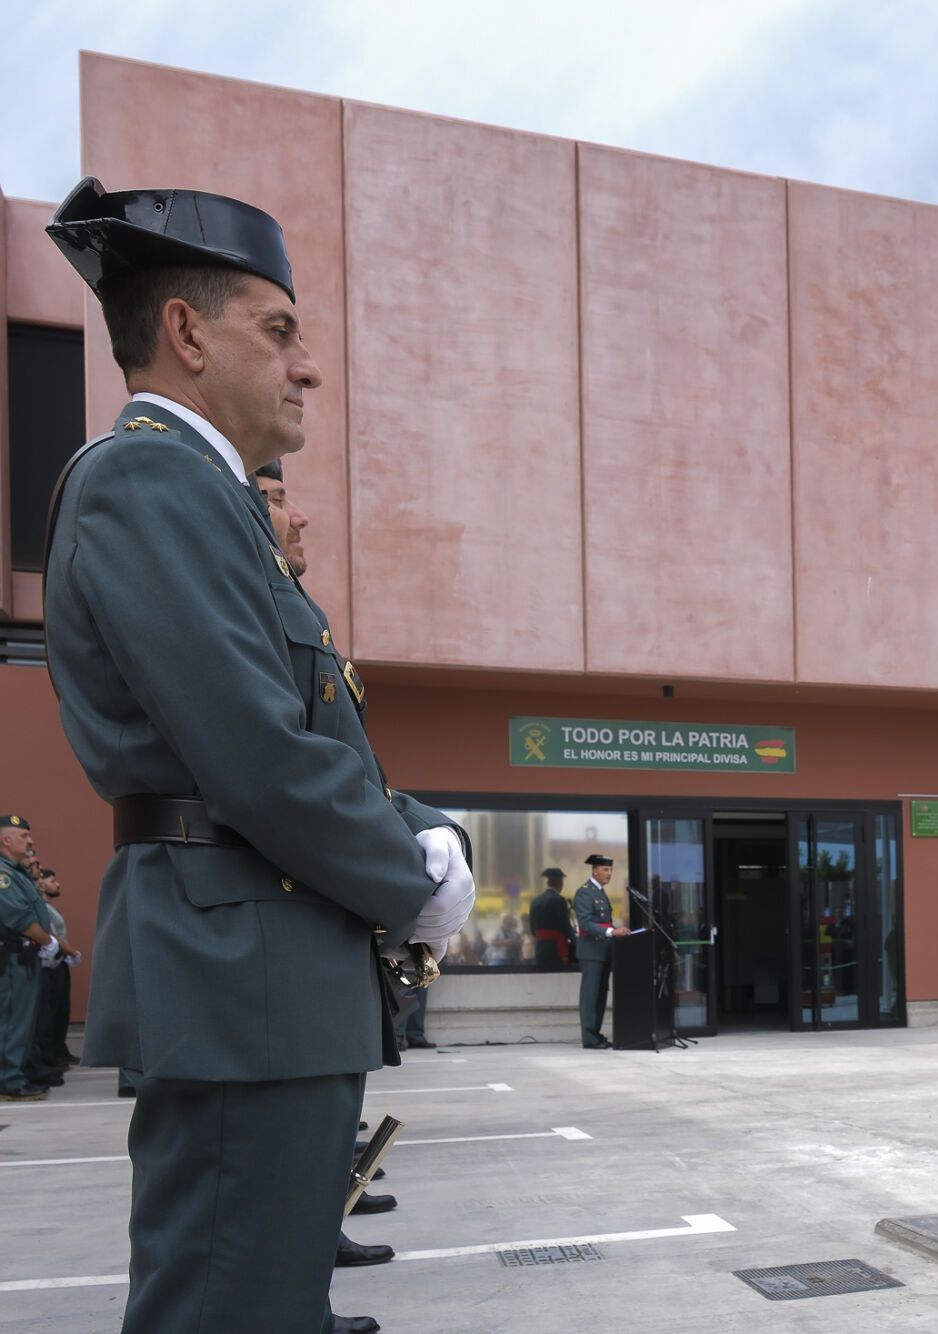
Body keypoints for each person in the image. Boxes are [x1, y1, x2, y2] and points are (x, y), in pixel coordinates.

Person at [41, 178, 475, 1332]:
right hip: (240, 973)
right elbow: (256, 753)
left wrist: (419, 825)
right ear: (186, 333)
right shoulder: (148, 477)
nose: (307, 366)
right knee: (227, 1307)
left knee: (268, 1300)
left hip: (263, 973)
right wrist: (410, 877)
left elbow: (288, 730)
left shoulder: (211, 496)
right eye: (278, 330)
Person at [1, 817, 70, 1101]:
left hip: (25, 957)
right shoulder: (3, 875)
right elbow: (18, 916)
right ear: (6, 840)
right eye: (24, 835)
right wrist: (48, 942)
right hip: (12, 958)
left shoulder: (16, 872)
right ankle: (9, 1081)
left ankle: (18, 1074)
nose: (30, 841)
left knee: (24, 1022)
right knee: (12, 1021)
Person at [575, 852, 629, 1047]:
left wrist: (617, 931)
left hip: (603, 950)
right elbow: (586, 923)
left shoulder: (600, 892)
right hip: (591, 952)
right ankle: (589, 1038)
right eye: (605, 869)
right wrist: (612, 932)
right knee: (590, 996)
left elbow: (605, 921)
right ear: (595, 870)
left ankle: (596, 1034)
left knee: (600, 996)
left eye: (611, 869)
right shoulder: (584, 892)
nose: (609, 873)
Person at [33, 865, 81, 1072]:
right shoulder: (41, 907)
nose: (58, 884)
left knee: (61, 1009)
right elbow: (53, 936)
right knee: (51, 1010)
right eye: (52, 880)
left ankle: (59, 1050)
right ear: (42, 884)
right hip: (50, 963)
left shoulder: (49, 907)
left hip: (60, 961)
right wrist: (73, 952)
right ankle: (51, 1054)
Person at [531, 867, 577, 969]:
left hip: (540, 948)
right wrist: (577, 943)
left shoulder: (535, 901)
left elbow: (533, 930)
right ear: (560, 883)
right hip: (556, 948)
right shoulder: (559, 900)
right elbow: (565, 926)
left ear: (548, 883)